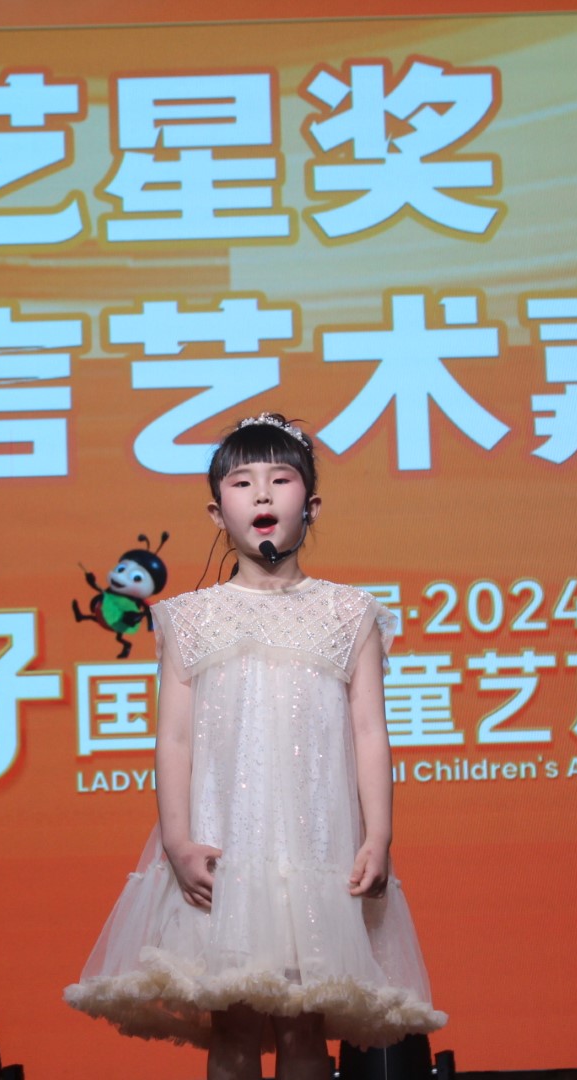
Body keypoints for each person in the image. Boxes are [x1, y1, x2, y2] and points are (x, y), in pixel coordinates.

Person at [65, 412, 445, 1080]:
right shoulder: (187, 617)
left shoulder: (349, 613)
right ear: (218, 513)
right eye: (242, 483)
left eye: (280, 479)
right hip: (224, 849)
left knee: (304, 1025)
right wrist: (177, 841)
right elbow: (173, 737)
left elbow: (369, 732)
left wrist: (378, 836)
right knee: (233, 1024)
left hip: (316, 848)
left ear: (311, 505)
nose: (262, 494)